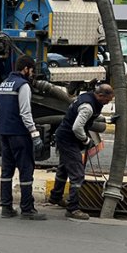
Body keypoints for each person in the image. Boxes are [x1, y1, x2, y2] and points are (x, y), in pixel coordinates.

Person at [48, 83, 115, 220]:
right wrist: (86, 141)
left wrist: (108, 120)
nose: (108, 103)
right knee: (77, 174)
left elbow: (87, 118)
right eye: (107, 100)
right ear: (101, 95)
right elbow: (77, 127)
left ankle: (55, 197)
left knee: (64, 168)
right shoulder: (88, 107)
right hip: (68, 139)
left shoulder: (87, 98)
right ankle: (73, 209)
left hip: (64, 136)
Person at [0, 56, 46, 220]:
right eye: (31, 70)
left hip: (4, 133)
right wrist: (34, 134)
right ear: (26, 69)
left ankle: (6, 207)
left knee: (6, 171)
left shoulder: (3, 84)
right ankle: (27, 209)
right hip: (19, 134)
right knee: (26, 170)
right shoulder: (23, 85)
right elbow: (25, 113)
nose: (32, 74)